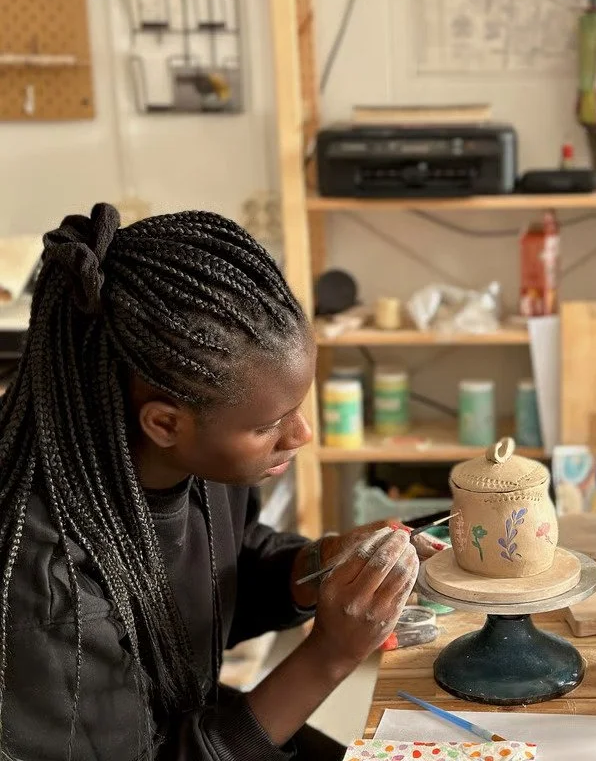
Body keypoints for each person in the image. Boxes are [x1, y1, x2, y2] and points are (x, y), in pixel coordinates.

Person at [0, 203, 439, 760]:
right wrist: (330, 656)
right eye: (268, 425)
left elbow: (222, 568)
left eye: (295, 409)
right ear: (164, 423)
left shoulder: (200, 455)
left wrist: (322, 566)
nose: (300, 433)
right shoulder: (47, 587)